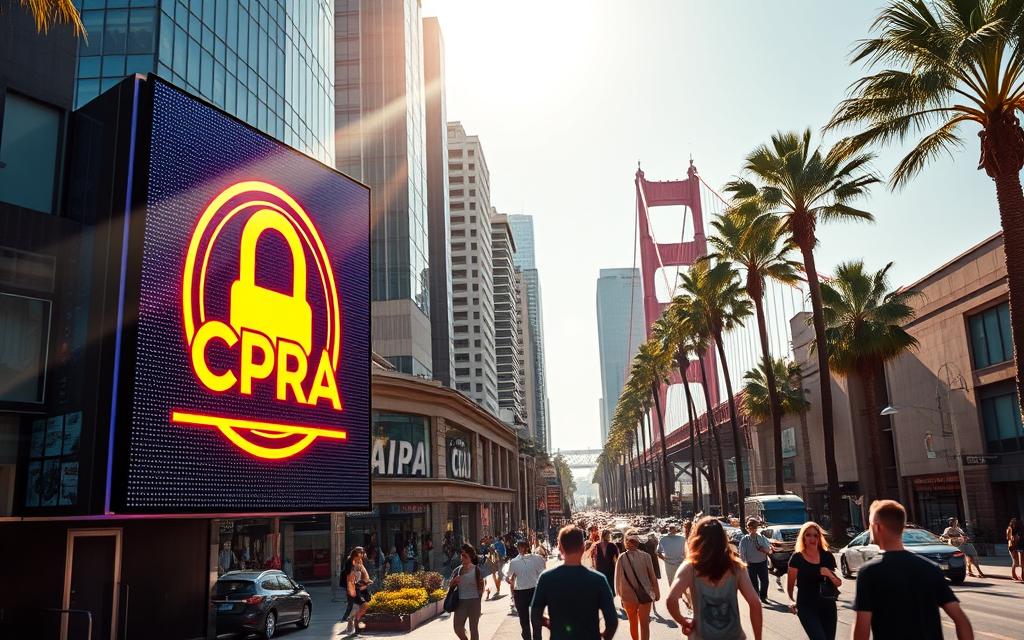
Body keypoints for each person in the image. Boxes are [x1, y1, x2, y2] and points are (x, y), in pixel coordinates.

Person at [852, 500, 974, 640]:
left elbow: (862, 628)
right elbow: (961, 620)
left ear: (877, 527)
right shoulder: (930, 568)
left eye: (870, 525)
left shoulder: (869, 573)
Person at [665, 516, 762, 640]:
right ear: (723, 538)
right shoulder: (736, 567)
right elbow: (755, 603)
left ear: (697, 539)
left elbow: (671, 600)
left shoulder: (689, 568)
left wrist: (683, 621)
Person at [531, 525, 618, 640]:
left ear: (560, 548)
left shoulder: (546, 578)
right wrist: (604, 636)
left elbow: (535, 615)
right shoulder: (598, 580)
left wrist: (550, 624)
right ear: (582, 548)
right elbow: (612, 621)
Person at [785, 522, 840, 640]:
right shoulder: (797, 558)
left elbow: (838, 583)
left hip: (828, 605)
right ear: (803, 538)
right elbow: (790, 584)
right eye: (808, 535)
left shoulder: (827, 556)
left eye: (815, 535)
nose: (812, 538)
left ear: (819, 538)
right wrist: (790, 600)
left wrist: (828, 573)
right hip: (806, 606)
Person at [615, 530, 660, 640]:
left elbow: (618, 579)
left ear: (625, 541)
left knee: (633, 623)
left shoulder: (621, 558)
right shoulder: (646, 556)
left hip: (628, 596)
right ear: (638, 541)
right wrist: (657, 592)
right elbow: (653, 577)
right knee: (644, 624)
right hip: (645, 593)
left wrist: (620, 596)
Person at [450, 544, 497, 640]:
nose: (462, 557)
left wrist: (485, 558)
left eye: (465, 555)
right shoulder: (457, 570)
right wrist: (454, 581)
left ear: (470, 557)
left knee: (473, 628)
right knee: (457, 627)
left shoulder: (477, 570)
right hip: (460, 602)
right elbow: (451, 586)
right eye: (461, 555)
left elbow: (493, 569)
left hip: (474, 601)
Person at [507, 540, 546, 640]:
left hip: (534, 590)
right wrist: (509, 580)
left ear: (527, 547)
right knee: (524, 621)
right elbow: (508, 576)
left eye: (521, 547)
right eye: (518, 547)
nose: (520, 549)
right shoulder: (514, 562)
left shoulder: (537, 558)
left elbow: (543, 573)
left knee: (535, 619)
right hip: (520, 592)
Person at [738, 518, 773, 604]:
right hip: (751, 564)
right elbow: (742, 554)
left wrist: (763, 549)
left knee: (765, 581)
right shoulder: (745, 540)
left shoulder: (762, 538)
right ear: (747, 528)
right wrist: (743, 565)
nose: (752, 530)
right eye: (750, 528)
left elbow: (769, 550)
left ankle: (763, 596)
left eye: (754, 528)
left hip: (762, 563)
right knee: (754, 583)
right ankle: (756, 597)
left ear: (756, 528)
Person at [345, 547, 371, 635]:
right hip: (353, 587)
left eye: (362, 553)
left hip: (360, 587)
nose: (362, 554)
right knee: (358, 605)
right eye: (360, 553)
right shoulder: (350, 562)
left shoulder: (360, 562)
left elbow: (365, 573)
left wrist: (366, 580)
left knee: (362, 604)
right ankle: (351, 622)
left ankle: (353, 623)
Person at [593, 530, 620, 594]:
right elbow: (617, 558)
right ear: (606, 536)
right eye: (608, 535)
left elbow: (594, 558)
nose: (609, 536)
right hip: (610, 569)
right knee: (610, 587)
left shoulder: (596, 545)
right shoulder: (612, 545)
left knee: (602, 587)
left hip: (600, 569)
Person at [1007, 517, 1024, 582]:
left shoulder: (1021, 528)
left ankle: (1023, 575)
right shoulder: (1010, 529)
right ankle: (1013, 575)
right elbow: (1008, 538)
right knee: (1016, 562)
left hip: (1020, 546)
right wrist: (1013, 538)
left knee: (1022, 562)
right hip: (1013, 547)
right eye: (1014, 523)